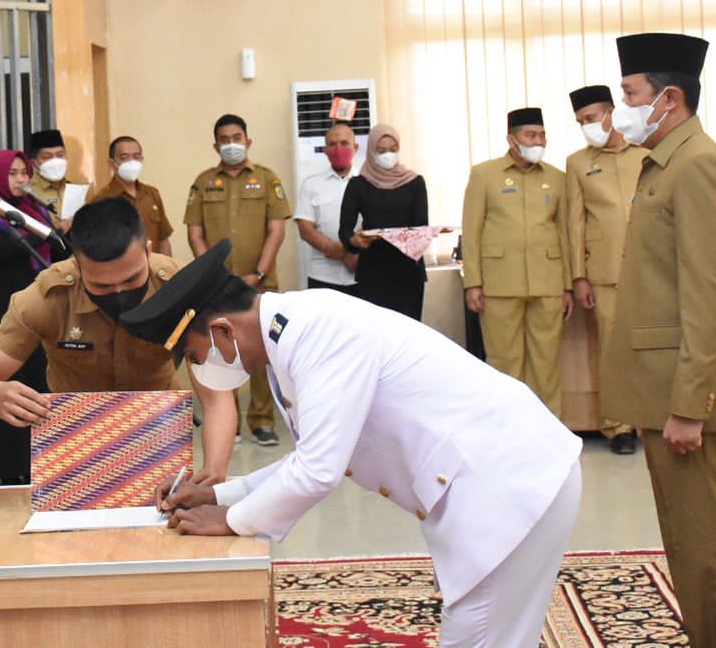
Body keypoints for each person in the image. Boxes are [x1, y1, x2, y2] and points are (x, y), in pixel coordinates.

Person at [124, 241, 583, 648]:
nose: (200, 368)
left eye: (194, 355)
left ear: (224, 330)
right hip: (503, 478)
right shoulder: (293, 333)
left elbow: (318, 470)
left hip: (507, 483)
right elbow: (312, 458)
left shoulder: (317, 333)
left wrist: (231, 519)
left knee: (479, 637)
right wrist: (219, 495)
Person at [600, 32, 716, 648]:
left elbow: (709, 294)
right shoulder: (664, 163)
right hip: (663, 391)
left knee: (713, 545)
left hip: (687, 399)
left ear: (669, 98)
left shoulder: (699, 166)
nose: (622, 109)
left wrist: (691, 405)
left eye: (630, 94)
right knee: (689, 545)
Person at [0, 197, 235, 481]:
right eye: (101, 285)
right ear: (77, 266)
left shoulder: (182, 288)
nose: (119, 293)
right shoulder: (46, 298)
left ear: (148, 251)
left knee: (167, 508)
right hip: (74, 435)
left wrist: (213, 472)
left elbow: (216, 398)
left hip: (157, 428)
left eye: (131, 280)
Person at [184, 113, 292, 446]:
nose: (231, 144)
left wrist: (258, 274)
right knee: (220, 352)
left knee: (263, 351)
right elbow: (195, 233)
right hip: (217, 286)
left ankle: (262, 421)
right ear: (215, 144)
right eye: (224, 139)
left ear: (248, 140)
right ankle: (227, 422)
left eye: (237, 138)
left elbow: (276, 230)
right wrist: (212, 275)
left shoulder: (267, 178)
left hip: (261, 285)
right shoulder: (203, 182)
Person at [461, 107, 572, 415]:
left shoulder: (557, 178)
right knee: (503, 362)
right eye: (530, 135)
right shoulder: (484, 174)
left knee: (546, 363)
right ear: (512, 139)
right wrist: (473, 282)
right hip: (499, 282)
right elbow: (472, 230)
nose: (538, 141)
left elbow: (564, 232)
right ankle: (506, 426)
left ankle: (547, 427)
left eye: (542, 135)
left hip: (547, 281)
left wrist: (567, 285)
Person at [0, 149, 65, 483]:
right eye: (14, 173)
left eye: (25, 173)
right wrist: (35, 228)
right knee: (8, 378)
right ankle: (10, 466)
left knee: (40, 374)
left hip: (40, 300)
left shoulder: (35, 210)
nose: (22, 180)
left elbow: (59, 248)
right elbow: (5, 249)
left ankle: (42, 461)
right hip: (4, 301)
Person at [564, 85, 648, 455]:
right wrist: (578, 276)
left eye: (591, 118)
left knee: (653, 348)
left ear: (611, 113)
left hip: (650, 268)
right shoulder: (578, 163)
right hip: (604, 272)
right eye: (580, 121)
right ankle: (619, 427)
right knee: (613, 353)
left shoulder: (646, 152)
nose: (586, 126)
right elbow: (574, 223)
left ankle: (654, 420)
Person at [339, 123, 429, 319]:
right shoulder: (358, 185)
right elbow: (344, 230)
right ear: (371, 152)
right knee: (376, 332)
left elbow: (421, 226)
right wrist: (354, 241)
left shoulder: (415, 182)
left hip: (408, 272)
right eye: (381, 151)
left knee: (408, 331)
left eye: (393, 149)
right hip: (373, 271)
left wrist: (422, 235)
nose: (388, 155)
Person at [293, 121, 360, 292]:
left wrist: (352, 252)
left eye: (344, 143)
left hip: (361, 274)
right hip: (322, 276)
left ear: (355, 147)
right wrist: (336, 250)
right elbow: (305, 229)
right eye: (332, 144)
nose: (338, 149)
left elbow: (375, 223)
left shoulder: (368, 183)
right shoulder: (311, 184)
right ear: (325, 150)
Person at [87, 135, 174, 256]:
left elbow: (163, 240)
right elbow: (98, 248)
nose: (131, 162)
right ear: (112, 163)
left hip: (154, 265)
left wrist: (167, 266)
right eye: (124, 157)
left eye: (136, 157)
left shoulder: (152, 194)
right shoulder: (101, 200)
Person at [27, 128, 83, 231]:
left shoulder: (76, 190)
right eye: (47, 157)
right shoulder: (28, 193)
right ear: (33, 163)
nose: (55, 161)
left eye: (60, 155)